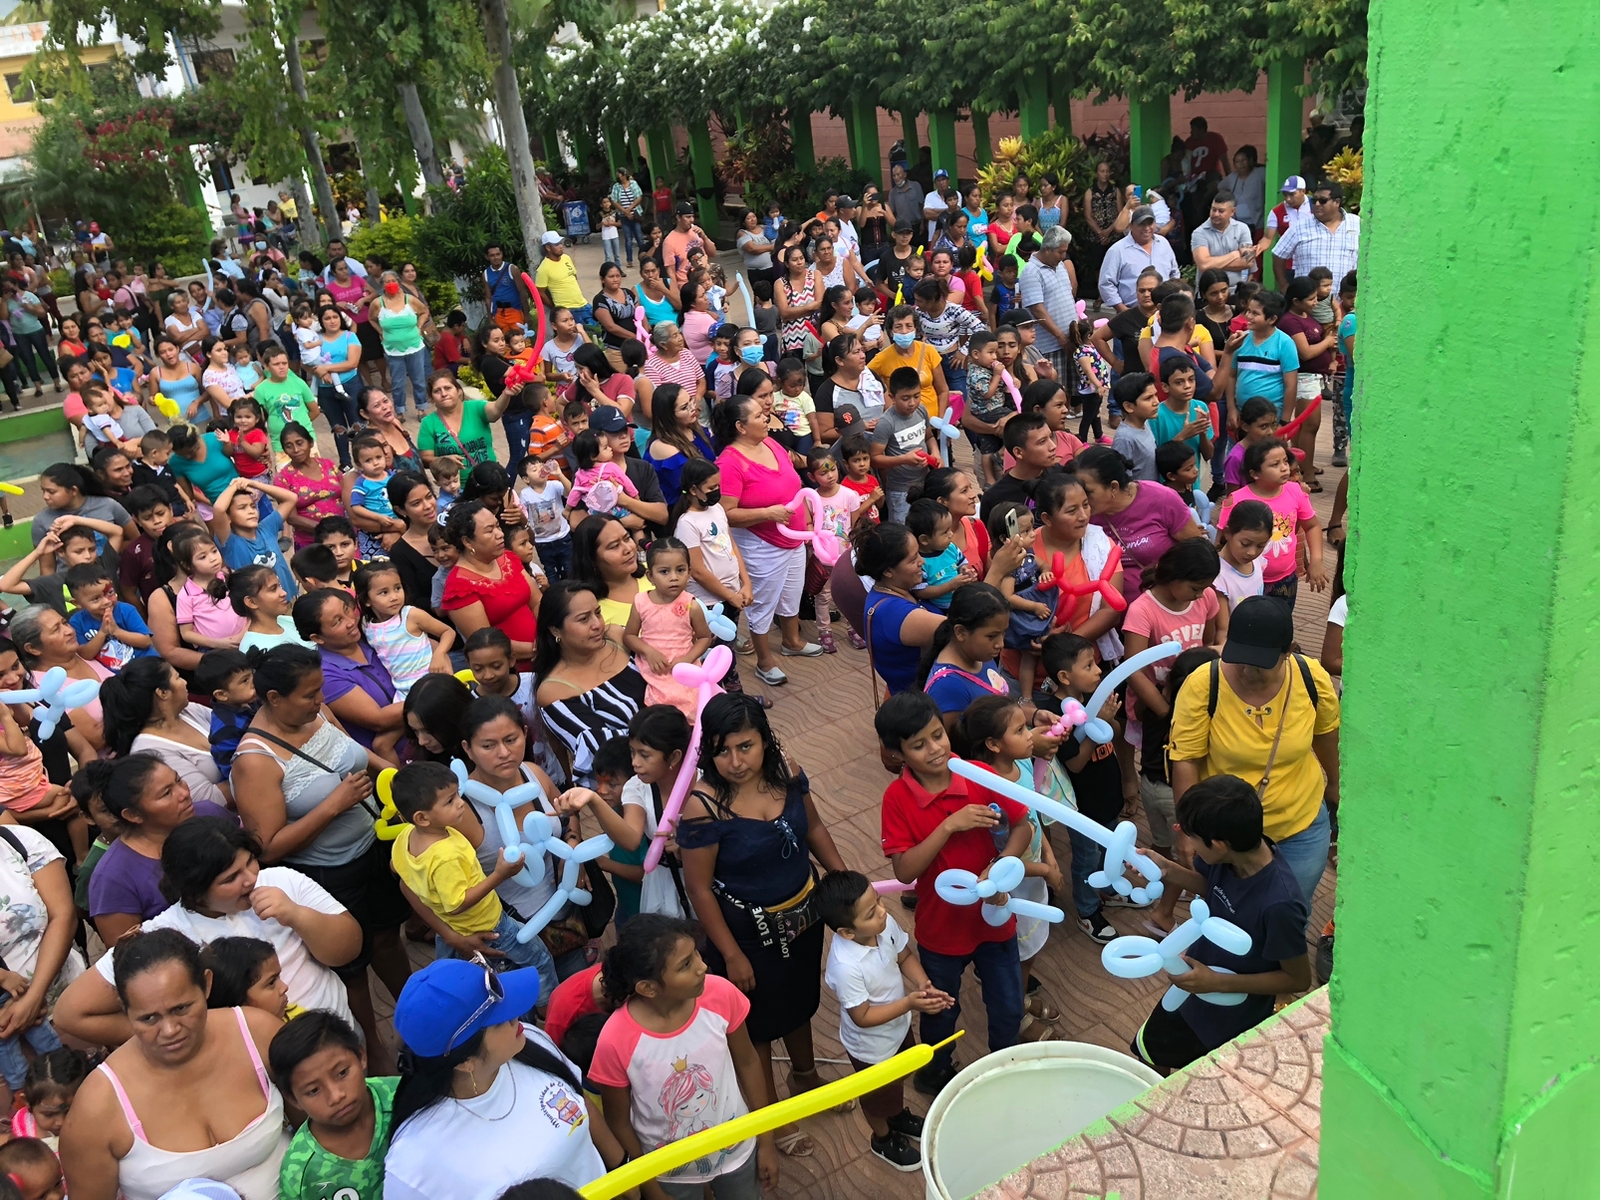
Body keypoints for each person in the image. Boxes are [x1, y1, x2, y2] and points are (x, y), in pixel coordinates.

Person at [675, 694, 847, 1159]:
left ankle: (806, 1074)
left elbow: (813, 826)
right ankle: (770, 1112)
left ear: (765, 742)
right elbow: (701, 889)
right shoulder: (702, 808)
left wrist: (842, 877)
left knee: (800, 999)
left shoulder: (787, 772)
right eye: (722, 750)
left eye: (746, 746)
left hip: (803, 918)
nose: (735, 761)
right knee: (757, 1027)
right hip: (747, 936)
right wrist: (731, 954)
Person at [229, 646, 412, 1071]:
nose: (319, 700)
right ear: (274, 699)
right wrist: (333, 805)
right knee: (351, 967)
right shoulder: (255, 760)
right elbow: (267, 846)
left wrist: (400, 780)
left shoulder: (315, 712)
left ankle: (417, 1012)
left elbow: (355, 753)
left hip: (374, 848)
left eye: (320, 691)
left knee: (387, 936)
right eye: (309, 694)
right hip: (328, 874)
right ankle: (374, 1052)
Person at [59, 817, 362, 1048]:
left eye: (250, 863)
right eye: (231, 878)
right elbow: (70, 1014)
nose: (250, 880)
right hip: (265, 1066)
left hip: (340, 1038)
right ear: (195, 892)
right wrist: (189, 1031)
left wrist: (298, 916)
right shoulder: (165, 935)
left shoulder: (283, 881)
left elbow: (349, 948)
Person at [874, 690, 1031, 1095]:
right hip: (941, 929)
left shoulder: (978, 772)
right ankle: (936, 1070)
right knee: (941, 1011)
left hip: (994, 919)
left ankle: (1005, 1067)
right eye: (918, 745)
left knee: (1009, 1006)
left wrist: (1000, 870)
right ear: (897, 754)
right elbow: (906, 869)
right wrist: (949, 825)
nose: (934, 749)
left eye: (937, 735)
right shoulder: (896, 798)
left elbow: (1022, 827)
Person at [59, 931, 288, 1200]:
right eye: (148, 1018)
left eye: (181, 1009)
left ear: (206, 985)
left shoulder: (258, 1032)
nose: (169, 1030)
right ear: (125, 1008)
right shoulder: (97, 1106)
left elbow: (324, 1130)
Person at [383, 959, 619, 1199]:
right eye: (498, 1021)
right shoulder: (412, 1166)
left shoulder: (531, 1041)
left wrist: (623, 1167)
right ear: (466, 1062)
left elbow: (579, 1101)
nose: (516, 1016)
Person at [1125, 774, 1312, 1072]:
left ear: (1220, 844)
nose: (1191, 847)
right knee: (1150, 1058)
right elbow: (1210, 888)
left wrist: (1218, 983)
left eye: (1194, 839)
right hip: (1189, 991)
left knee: (1204, 1083)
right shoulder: (1230, 859)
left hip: (1230, 1017)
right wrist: (1167, 869)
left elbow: (1298, 979)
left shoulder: (1281, 905)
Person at [1167, 596, 1340, 909]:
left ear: (1287, 652)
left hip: (1300, 826)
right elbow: (1186, 760)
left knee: (1289, 913)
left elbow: (1326, 735)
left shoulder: (1311, 677)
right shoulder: (1204, 685)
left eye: (1259, 663)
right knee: (1229, 915)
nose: (1247, 670)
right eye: (1239, 657)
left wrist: (1336, 784)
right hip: (1226, 837)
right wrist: (1189, 830)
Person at [589, 914, 778, 1197]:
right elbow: (619, 1122)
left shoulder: (720, 995)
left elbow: (748, 1062)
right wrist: (651, 1188)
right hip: (668, 1173)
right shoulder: (615, 1041)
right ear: (648, 988)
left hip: (738, 1150)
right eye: (686, 964)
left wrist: (766, 1141)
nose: (703, 966)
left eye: (696, 955)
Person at [387, 762, 558, 988]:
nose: (461, 804)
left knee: (473, 978)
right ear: (422, 818)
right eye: (450, 801)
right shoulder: (445, 855)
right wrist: (499, 875)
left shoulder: (406, 837)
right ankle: (549, 1008)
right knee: (540, 961)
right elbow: (457, 903)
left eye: (457, 795)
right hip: (489, 925)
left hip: (452, 927)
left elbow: (396, 867)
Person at [713, 389, 822, 682]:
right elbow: (726, 513)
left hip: (794, 538)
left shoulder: (771, 443)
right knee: (762, 603)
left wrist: (808, 516)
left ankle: (792, 641)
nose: (766, 418)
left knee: (791, 594)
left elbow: (794, 484)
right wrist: (768, 514)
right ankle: (764, 660)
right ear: (740, 427)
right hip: (762, 545)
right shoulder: (730, 462)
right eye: (759, 416)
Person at [534, 582, 650, 788]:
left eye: (598, 613)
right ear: (554, 630)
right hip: (635, 788)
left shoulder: (618, 638)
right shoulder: (554, 691)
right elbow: (605, 749)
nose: (597, 624)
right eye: (584, 619)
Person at [271, 1011, 396, 1200]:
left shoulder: (401, 1097)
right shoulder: (301, 1172)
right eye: (313, 1090)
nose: (336, 1096)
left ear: (361, 1056)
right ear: (293, 1099)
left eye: (342, 1073)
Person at [1074, 444, 1202, 601]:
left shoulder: (1162, 499)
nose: (1082, 498)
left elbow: (1197, 551)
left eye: (1088, 492)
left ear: (1113, 487)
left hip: (1161, 605)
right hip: (1107, 610)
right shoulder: (1083, 515)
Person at [1217, 439, 1326, 609]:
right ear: (1254, 473)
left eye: (1285, 461)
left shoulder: (1295, 491)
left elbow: (1312, 526)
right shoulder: (1237, 500)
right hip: (1243, 580)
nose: (1284, 468)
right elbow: (1222, 540)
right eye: (1275, 464)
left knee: (1279, 623)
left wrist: (1316, 561)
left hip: (1285, 579)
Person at [438, 501, 540, 668]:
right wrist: (537, 649)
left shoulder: (507, 557)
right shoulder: (459, 587)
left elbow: (537, 601)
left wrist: (547, 635)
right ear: (467, 542)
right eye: (489, 531)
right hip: (512, 668)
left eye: (497, 526)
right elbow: (487, 643)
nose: (500, 534)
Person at [858, 522, 946, 697]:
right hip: (924, 705)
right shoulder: (894, 613)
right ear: (888, 571)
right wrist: (997, 571)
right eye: (913, 560)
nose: (922, 561)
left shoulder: (899, 590)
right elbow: (967, 630)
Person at [417, 370, 518, 488]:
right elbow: (425, 458)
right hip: (456, 489)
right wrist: (443, 460)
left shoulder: (475, 407)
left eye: (448, 388)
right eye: (437, 391)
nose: (443, 394)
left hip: (490, 481)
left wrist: (506, 393)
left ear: (459, 391)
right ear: (432, 398)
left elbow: (495, 410)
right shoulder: (428, 423)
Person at [368, 271, 434, 420]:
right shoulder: (378, 303)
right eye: (387, 281)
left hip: (415, 347)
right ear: (382, 285)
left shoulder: (409, 300)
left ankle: (421, 409)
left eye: (393, 280)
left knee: (418, 379)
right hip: (393, 350)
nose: (391, 284)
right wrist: (381, 332)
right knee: (397, 382)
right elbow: (371, 319)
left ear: (398, 282)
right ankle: (399, 411)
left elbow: (424, 311)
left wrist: (418, 327)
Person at [1272, 181, 1361, 290]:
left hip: (1346, 301)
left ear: (1337, 202)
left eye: (1323, 201)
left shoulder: (1358, 224)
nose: (1317, 204)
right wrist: (1283, 286)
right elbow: (1278, 254)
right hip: (1308, 303)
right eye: (1314, 201)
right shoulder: (1300, 227)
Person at [1097, 205, 1180, 310]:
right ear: (1131, 226)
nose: (1146, 228)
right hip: (1132, 311)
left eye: (1150, 223)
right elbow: (1106, 284)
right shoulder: (1117, 250)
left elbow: (1174, 273)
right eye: (1141, 224)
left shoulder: (1163, 243)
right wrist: (1123, 310)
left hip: (1164, 311)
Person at [483, 242, 531, 337]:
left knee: (520, 339)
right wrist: (490, 318)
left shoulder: (512, 269)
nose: (496, 257)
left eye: (498, 254)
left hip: (514, 310)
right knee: (503, 341)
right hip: (498, 313)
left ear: (502, 254)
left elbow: (522, 291)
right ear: (487, 257)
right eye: (492, 255)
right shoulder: (486, 273)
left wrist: (526, 314)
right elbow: (488, 297)